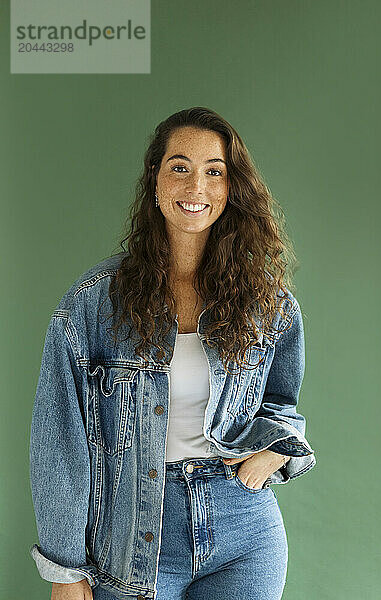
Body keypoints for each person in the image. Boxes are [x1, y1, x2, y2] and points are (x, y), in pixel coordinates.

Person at [29, 107, 316, 600]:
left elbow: (281, 401)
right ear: (155, 182)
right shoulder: (94, 302)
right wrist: (65, 568)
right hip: (129, 537)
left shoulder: (266, 301)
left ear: (231, 189)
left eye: (214, 172)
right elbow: (59, 440)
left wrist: (277, 447)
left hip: (243, 532)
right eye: (180, 167)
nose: (196, 187)